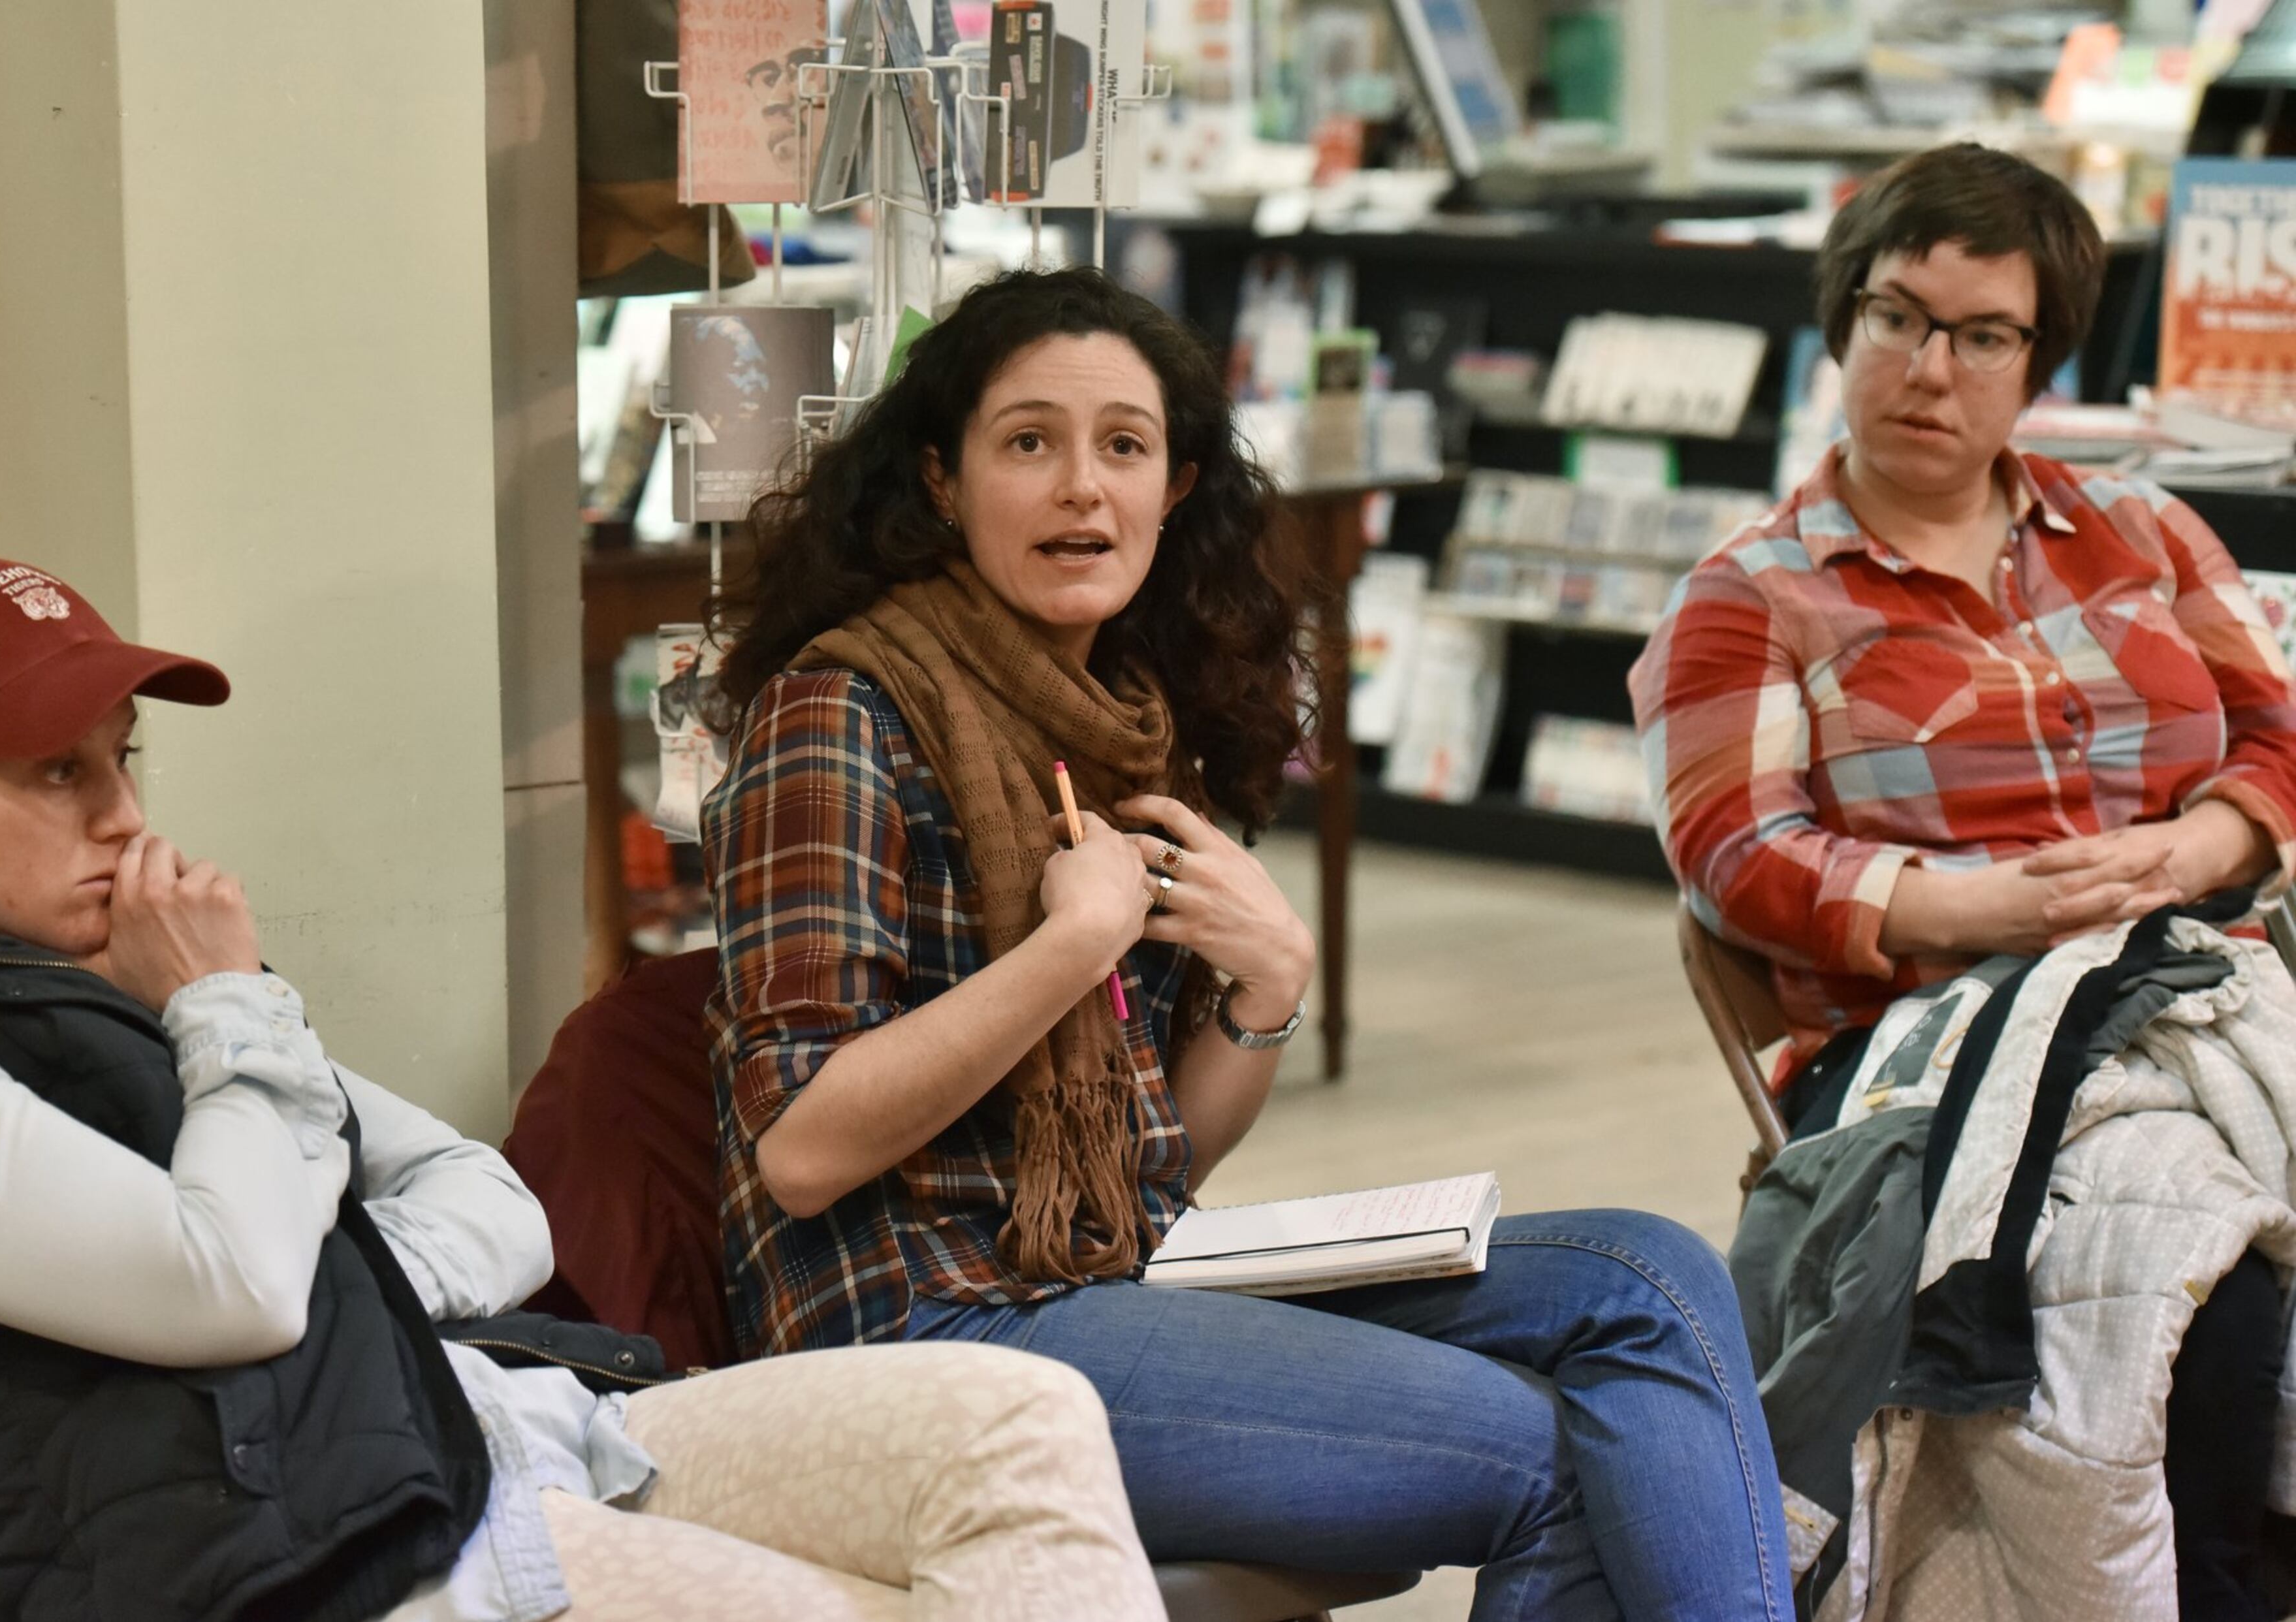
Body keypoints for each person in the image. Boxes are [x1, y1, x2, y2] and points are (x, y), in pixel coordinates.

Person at [701, 266, 1793, 1621]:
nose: (1081, 490)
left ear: (1176, 485)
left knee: (1650, 1278)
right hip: (926, 1328)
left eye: (1124, 447)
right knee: (1551, 1451)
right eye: (1027, 443)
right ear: (940, 480)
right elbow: (801, 1151)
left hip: (1108, 1273)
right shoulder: (841, 714)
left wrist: (1269, 992)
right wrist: (1065, 951)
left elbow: (1161, 1166)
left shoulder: (1127, 720)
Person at [0, 554, 1165, 1622]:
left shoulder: (94, 980)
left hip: (489, 1433)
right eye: (56, 772)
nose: (127, 815)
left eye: (120, 757)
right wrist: (223, 1010)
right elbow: (242, 1282)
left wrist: (332, 1265)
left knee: (1017, 1420)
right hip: (348, 1563)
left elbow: (490, 1204)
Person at [1631, 142, 2296, 1620]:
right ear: (1845, 325)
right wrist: (1987, 908)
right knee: (2216, 1302)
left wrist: (2200, 849)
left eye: (1982, 334)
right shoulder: (1755, 594)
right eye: (1898, 317)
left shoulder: (2140, 528)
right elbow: (1738, 856)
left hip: (2200, 990)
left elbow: (2276, 737)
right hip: (1927, 1046)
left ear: (2037, 362)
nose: (1931, 367)